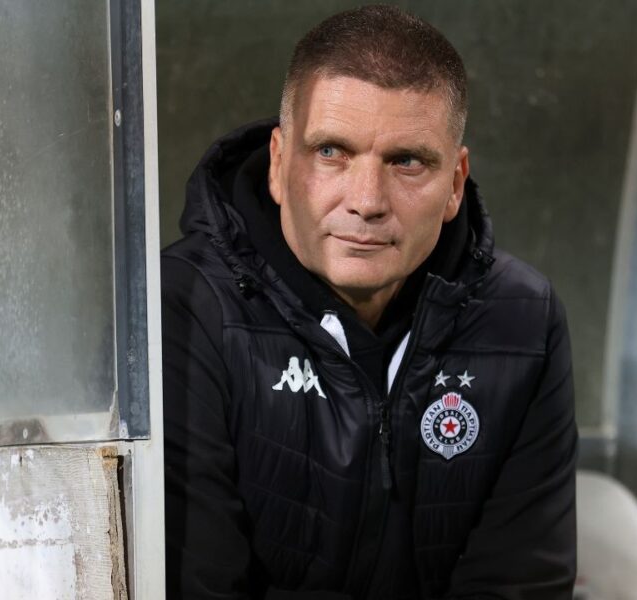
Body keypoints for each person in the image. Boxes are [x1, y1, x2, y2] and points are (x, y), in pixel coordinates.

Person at [161, 6, 577, 599]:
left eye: (406, 162)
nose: (366, 200)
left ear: (456, 183)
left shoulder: (522, 321)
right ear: (279, 165)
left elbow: (519, 584)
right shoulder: (183, 307)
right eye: (331, 152)